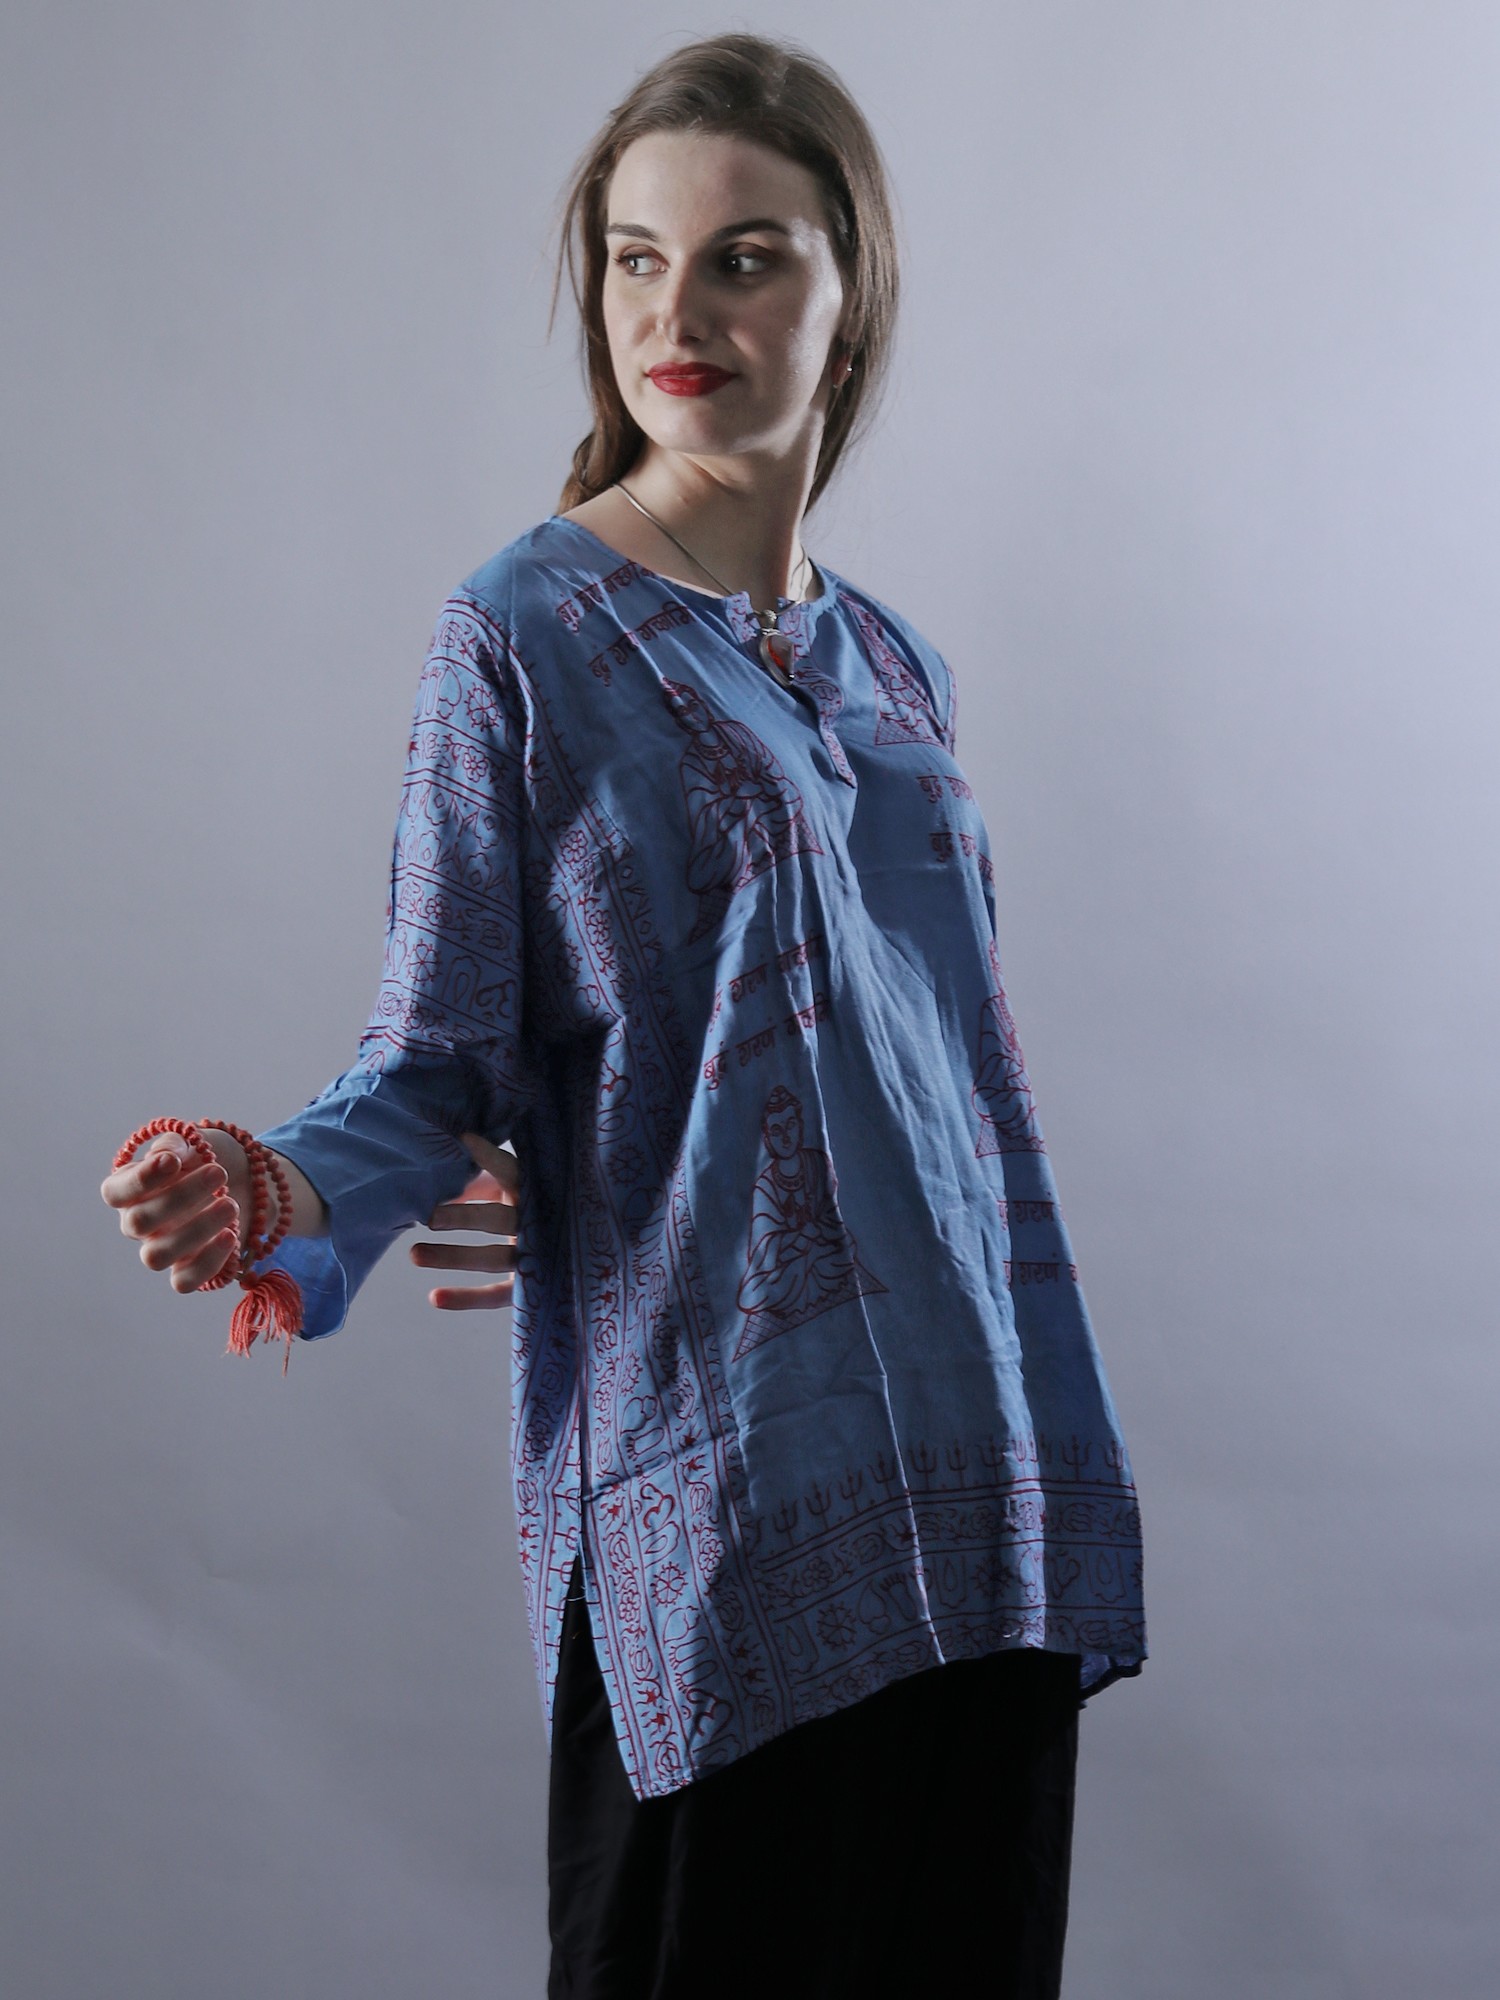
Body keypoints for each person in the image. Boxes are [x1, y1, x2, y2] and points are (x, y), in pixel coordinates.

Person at [100, 31, 1146, 1999]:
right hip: (728, 1512)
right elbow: (435, 1055)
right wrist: (280, 1189)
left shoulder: (897, 665)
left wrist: (611, 1150)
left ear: (852, 294)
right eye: (636, 261)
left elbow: (911, 1072)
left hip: (984, 1488)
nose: (679, 313)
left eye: (745, 258)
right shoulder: (525, 634)